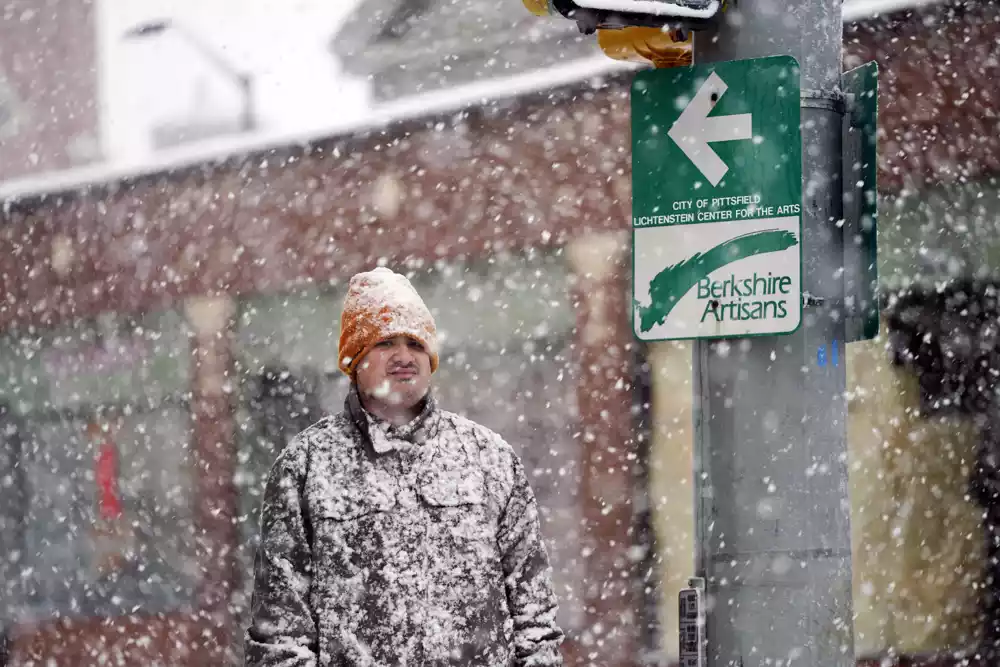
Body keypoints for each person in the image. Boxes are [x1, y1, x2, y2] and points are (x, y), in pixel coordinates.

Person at [244, 267, 564, 666]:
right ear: (355, 359)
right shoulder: (306, 466)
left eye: (415, 342)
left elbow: (534, 617)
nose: (403, 356)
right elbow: (280, 634)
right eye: (385, 342)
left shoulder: (489, 459)